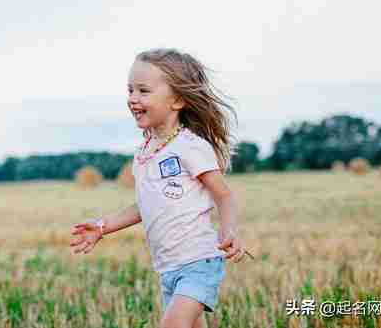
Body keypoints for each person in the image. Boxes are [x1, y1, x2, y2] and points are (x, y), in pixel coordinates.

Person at [70, 48, 251, 328]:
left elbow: (224, 196)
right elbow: (145, 205)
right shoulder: (144, 153)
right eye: (130, 90)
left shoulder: (191, 147)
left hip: (199, 262)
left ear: (177, 99)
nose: (132, 98)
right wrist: (102, 227)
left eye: (143, 90)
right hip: (168, 268)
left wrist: (229, 230)